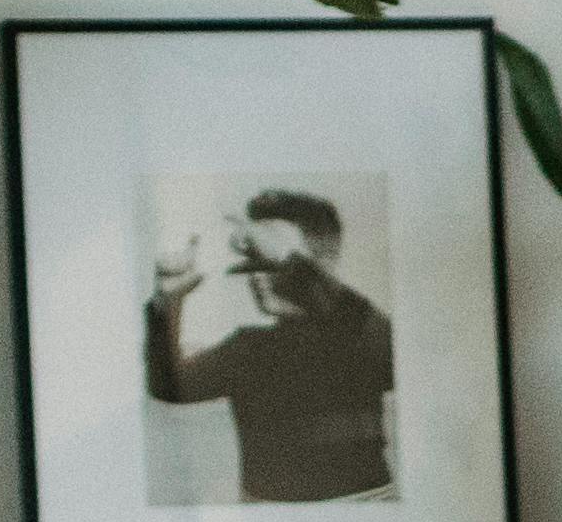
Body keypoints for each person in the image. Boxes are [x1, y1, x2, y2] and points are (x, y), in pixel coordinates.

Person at [143, 188, 396, 504]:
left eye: (272, 262)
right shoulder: (248, 349)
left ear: (323, 266)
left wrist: (291, 264)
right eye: (253, 264)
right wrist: (166, 305)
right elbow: (169, 386)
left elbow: (386, 351)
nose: (259, 278)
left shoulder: (361, 336)